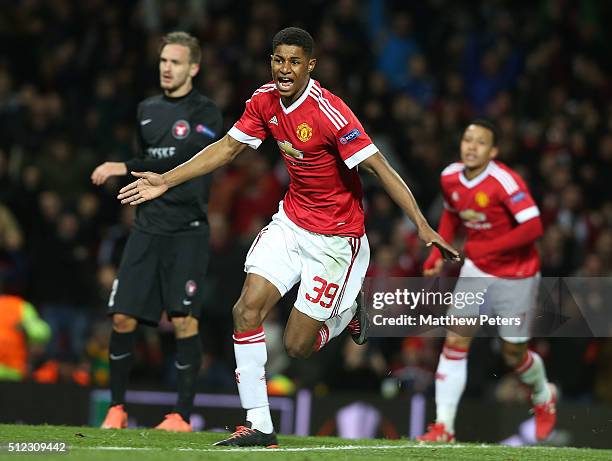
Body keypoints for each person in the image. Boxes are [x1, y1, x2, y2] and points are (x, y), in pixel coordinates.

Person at [117, 27, 459, 446]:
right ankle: (259, 426)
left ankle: (349, 312)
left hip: (336, 240)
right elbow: (227, 148)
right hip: (291, 223)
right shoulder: (263, 101)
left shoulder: (330, 113)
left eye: (294, 61)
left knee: (298, 346)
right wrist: (166, 181)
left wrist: (422, 225)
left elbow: (380, 168)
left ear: (310, 66)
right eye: (279, 60)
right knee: (245, 311)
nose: (284, 68)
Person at [91, 31, 223, 432]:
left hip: (187, 231)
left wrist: (123, 163)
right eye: (163, 60)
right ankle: (116, 410)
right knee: (121, 319)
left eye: (176, 62)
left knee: (185, 322)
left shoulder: (206, 112)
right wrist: (126, 165)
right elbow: (147, 162)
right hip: (148, 228)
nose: (167, 68)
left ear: (193, 68)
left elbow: (188, 158)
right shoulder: (146, 109)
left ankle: (180, 415)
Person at [417, 120, 557, 443]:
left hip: (516, 275)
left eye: (481, 143)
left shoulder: (504, 182)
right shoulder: (449, 176)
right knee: (455, 340)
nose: (471, 147)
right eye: (468, 139)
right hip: (477, 272)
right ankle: (444, 427)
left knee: (513, 354)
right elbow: (452, 212)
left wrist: (486, 246)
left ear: (493, 151)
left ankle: (542, 394)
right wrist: (439, 250)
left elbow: (533, 227)